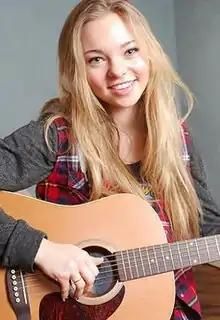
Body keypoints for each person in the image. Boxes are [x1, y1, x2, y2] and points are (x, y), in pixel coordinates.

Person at [0, 0, 220, 318]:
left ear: (149, 53)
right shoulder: (57, 136)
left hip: (169, 307)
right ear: (78, 69)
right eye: (96, 59)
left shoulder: (177, 136)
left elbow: (206, 227)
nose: (117, 70)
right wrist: (39, 250)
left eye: (130, 51)